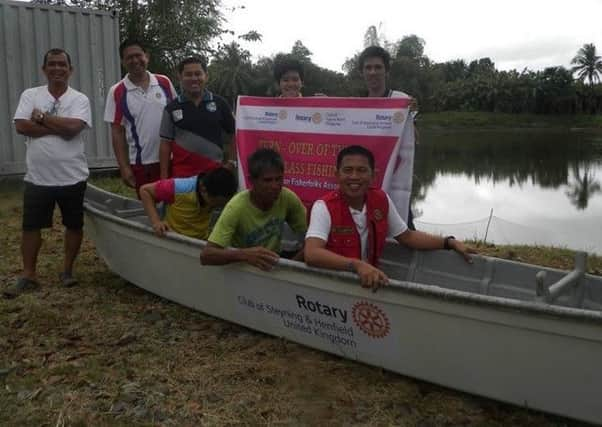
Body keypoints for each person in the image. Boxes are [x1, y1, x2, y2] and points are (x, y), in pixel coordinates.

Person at [304, 145, 475, 291]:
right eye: (348, 170)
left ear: (373, 175)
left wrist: (449, 243)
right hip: (333, 284)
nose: (354, 177)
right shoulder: (324, 207)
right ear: (337, 174)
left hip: (367, 280)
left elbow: (407, 236)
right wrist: (356, 265)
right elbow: (312, 253)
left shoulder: (381, 199)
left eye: (362, 170)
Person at [5, 48, 92, 298]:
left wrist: (42, 118)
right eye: (52, 64)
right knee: (31, 227)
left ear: (70, 70)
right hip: (38, 177)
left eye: (62, 64)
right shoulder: (30, 94)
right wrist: (60, 127)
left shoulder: (80, 99)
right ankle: (28, 274)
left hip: (72, 176)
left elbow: (75, 128)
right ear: (44, 69)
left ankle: (67, 271)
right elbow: (22, 126)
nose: (57, 68)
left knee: (73, 225)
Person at [200, 148, 307, 270]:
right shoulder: (236, 207)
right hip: (242, 271)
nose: (275, 186)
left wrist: (290, 268)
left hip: (272, 269)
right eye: (267, 180)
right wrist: (244, 255)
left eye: (279, 179)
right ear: (251, 181)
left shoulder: (287, 197)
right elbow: (206, 255)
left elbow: (310, 239)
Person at [104, 40, 177, 195]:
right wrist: (124, 167)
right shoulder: (117, 91)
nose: (135, 60)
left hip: (172, 161)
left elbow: (177, 118)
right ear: (123, 62)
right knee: (151, 211)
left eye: (139, 55)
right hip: (142, 165)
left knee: (176, 207)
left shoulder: (164, 82)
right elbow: (117, 132)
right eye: (129, 57)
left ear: (147, 57)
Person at [358, 45, 418, 229]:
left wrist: (410, 114)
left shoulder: (400, 101)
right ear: (362, 72)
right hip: (366, 181)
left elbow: (413, 141)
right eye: (368, 68)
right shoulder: (357, 106)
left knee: (403, 228)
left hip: (394, 179)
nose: (373, 72)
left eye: (378, 67)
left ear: (386, 71)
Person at [159, 56, 235, 179]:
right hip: (182, 177)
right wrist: (163, 176)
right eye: (188, 74)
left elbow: (234, 133)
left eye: (198, 74)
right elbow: (165, 144)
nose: (194, 78)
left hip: (214, 176)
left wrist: (231, 162)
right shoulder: (171, 108)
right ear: (180, 77)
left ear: (206, 76)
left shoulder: (220, 103)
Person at [139, 167, 237, 240]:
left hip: (199, 240)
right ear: (204, 190)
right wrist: (156, 222)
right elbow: (145, 191)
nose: (217, 207)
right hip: (173, 238)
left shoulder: (216, 192)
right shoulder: (180, 188)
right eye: (216, 203)